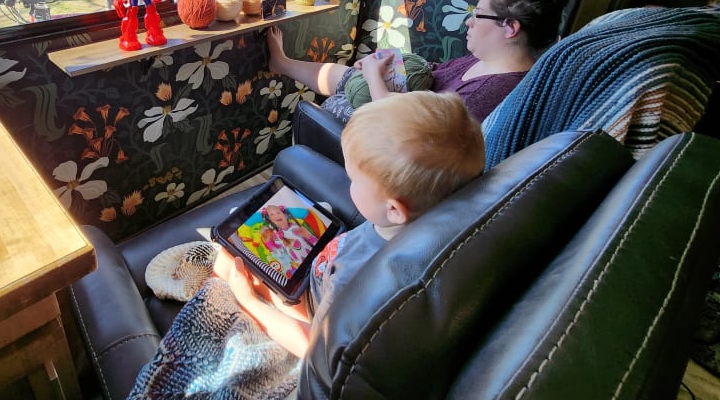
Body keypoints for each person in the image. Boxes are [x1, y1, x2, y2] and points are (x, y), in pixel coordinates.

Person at [128, 91, 485, 398]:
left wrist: (248, 298)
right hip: (313, 281)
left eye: (354, 178)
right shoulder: (417, 231)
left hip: (313, 311)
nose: (348, 182)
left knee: (224, 269)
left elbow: (314, 349)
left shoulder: (361, 277)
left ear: (394, 209)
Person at [267, 0, 570, 122]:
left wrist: (375, 77)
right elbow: (433, 71)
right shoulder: (487, 61)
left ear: (510, 28)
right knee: (350, 75)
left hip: (397, 128)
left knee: (336, 102)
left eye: (477, 15)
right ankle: (280, 63)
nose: (469, 22)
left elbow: (405, 127)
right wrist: (385, 62)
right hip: (408, 98)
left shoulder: (488, 95)